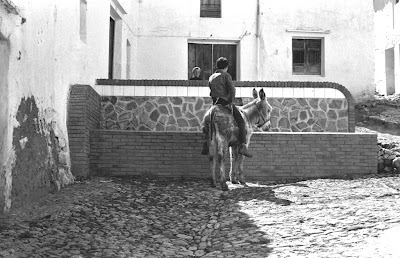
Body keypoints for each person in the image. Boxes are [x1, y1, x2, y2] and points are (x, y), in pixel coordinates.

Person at [202, 57, 252, 158]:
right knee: (241, 121)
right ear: (226, 67)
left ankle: (206, 143)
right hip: (225, 102)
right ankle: (243, 145)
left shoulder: (211, 77)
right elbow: (232, 90)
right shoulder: (226, 75)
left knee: (208, 122)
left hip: (215, 103)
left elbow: (211, 91)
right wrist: (230, 102)